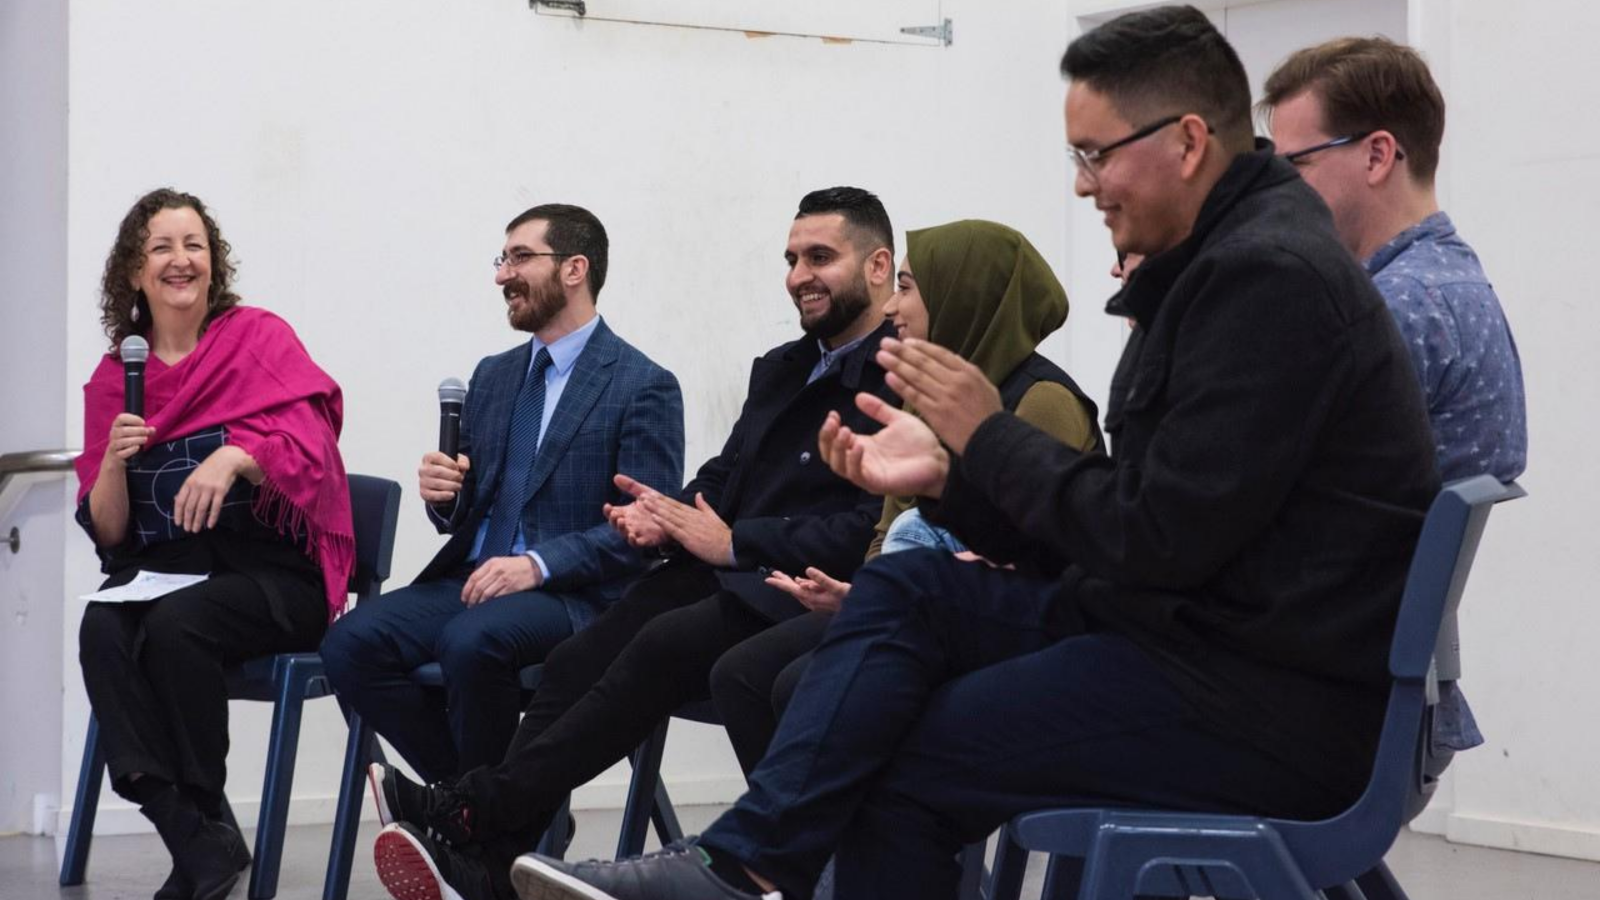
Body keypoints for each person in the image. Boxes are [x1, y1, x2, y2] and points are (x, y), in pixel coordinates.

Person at [508, 8, 1441, 900]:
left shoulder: (1265, 279)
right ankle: (743, 866)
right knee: (910, 589)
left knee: (895, 751)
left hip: (1262, 697)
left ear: (1188, 142)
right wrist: (953, 482)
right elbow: (1143, 521)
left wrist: (985, 434)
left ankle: (739, 868)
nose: (1082, 183)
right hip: (1199, 637)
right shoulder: (1230, 269)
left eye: (1095, 153)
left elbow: (1151, 539)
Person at [367, 187, 901, 900]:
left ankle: (471, 812)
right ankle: (494, 857)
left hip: (791, 584)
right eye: (792, 257)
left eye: (820, 257)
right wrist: (665, 515)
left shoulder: (900, 373)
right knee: (575, 661)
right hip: (722, 566)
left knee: (653, 646)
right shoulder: (782, 365)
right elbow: (724, 475)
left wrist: (734, 541)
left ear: (878, 267)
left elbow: (868, 522)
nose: (799, 273)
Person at [712, 219, 1102, 775]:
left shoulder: (1042, 399)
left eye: (908, 287)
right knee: (742, 674)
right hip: (912, 600)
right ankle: (808, 854)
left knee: (799, 685)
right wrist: (862, 590)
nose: (892, 308)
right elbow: (887, 527)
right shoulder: (928, 393)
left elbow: (1035, 548)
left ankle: (815, 850)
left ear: (960, 293)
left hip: (996, 619)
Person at [321, 204, 685, 783]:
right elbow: (469, 507)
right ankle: (477, 804)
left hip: (577, 595)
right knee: (349, 643)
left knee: (471, 642)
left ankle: (483, 818)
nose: (501, 275)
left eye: (520, 258)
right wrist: (445, 496)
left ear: (574, 269)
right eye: (502, 258)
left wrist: (536, 565)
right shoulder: (495, 374)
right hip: (474, 577)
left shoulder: (642, 384)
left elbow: (649, 527)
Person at [1260, 33, 1528, 784]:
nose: (1278, 195)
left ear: (1378, 156)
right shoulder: (1452, 285)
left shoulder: (1393, 311)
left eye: (1296, 167)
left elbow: (1251, 505)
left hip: (1318, 706)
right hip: (1379, 696)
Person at [75, 188, 353, 900]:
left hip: (273, 575)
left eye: (193, 244)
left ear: (212, 261)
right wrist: (112, 460)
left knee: (175, 629)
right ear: (135, 272)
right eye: (161, 247)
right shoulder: (116, 381)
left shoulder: (258, 339)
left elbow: (315, 447)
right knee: (103, 626)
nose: (180, 260)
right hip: (165, 571)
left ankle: (204, 825)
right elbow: (108, 531)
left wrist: (239, 457)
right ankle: (193, 833)